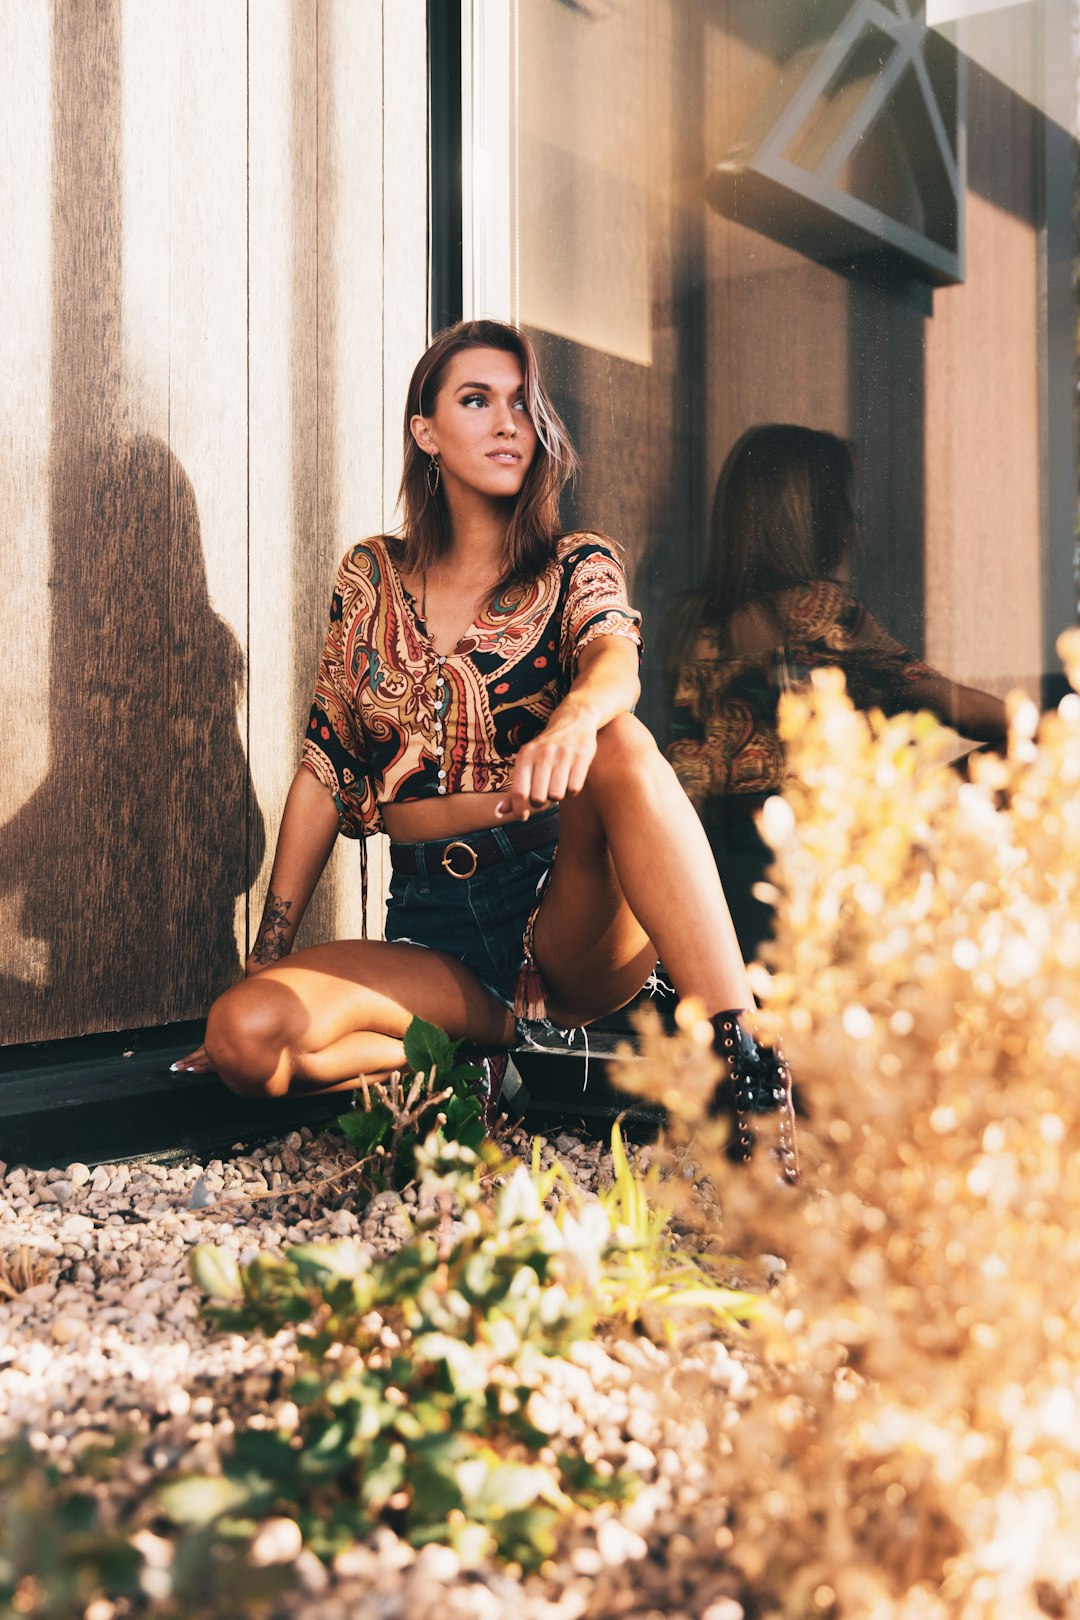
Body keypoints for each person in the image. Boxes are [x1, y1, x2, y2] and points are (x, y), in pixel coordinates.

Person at [177, 321, 792, 1165]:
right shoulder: (370, 576)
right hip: (435, 928)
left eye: (520, 404)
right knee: (247, 1037)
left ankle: (744, 1058)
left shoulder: (577, 563)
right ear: (425, 433)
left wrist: (576, 717)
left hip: (562, 912)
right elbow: (326, 761)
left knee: (619, 742)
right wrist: (269, 954)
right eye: (477, 401)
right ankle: (471, 1065)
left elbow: (617, 658)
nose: (510, 423)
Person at [664, 423, 1008, 957]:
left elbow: (688, 773)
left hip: (725, 881)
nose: (855, 522)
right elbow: (963, 710)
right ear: (811, 519)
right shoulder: (819, 609)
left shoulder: (688, 622)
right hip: (818, 860)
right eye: (844, 505)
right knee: (1021, 760)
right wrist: (1046, 736)